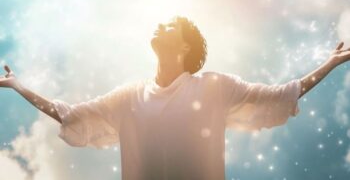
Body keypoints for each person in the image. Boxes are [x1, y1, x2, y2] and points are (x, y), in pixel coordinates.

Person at [1, 15, 350, 180]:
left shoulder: (214, 87)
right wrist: (18, 86)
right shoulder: (128, 97)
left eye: (169, 26)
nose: (158, 26)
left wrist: (330, 64)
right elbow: (69, 115)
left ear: (184, 45)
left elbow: (280, 94)